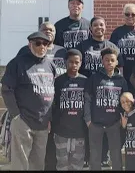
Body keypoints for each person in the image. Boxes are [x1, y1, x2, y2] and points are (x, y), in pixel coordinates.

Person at [16, 22, 67, 170]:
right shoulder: (25, 52)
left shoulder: (62, 51)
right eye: (45, 29)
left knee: (49, 142)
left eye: (51, 30)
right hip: (31, 108)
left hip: (54, 102)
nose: (48, 32)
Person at [1, 32, 56, 170]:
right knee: (20, 163)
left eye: (45, 43)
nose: (42, 46)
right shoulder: (17, 63)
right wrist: (16, 116)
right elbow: (7, 89)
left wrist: (49, 118)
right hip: (23, 121)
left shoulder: (50, 65)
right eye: (38, 43)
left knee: (38, 163)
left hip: (43, 122)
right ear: (29, 44)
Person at [75, 16, 121, 168]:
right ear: (90, 29)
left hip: (108, 88)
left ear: (105, 27)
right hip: (88, 87)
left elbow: (119, 68)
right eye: (95, 25)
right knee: (91, 126)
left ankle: (104, 157)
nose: (98, 27)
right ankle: (89, 157)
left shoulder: (112, 46)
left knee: (108, 124)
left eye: (101, 25)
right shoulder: (83, 45)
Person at [84, 47, 128, 170]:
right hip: (95, 124)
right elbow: (87, 99)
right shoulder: (94, 78)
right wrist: (88, 120)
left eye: (112, 60)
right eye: (106, 60)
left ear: (116, 62)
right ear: (102, 61)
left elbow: (126, 101)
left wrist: (123, 119)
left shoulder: (121, 80)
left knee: (116, 157)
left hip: (114, 124)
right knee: (95, 158)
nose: (109, 62)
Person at [52, 49, 87, 170]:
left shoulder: (86, 81)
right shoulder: (58, 81)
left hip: (79, 131)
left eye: (77, 62)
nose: (74, 65)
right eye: (71, 62)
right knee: (61, 164)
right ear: (65, 62)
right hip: (61, 130)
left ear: (81, 63)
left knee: (77, 165)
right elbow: (53, 103)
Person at [120, 92, 135, 171]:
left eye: (128, 101)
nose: (125, 104)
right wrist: (123, 127)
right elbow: (121, 139)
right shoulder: (122, 116)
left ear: (133, 101)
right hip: (129, 150)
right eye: (123, 102)